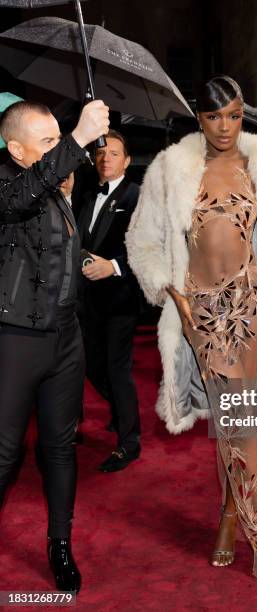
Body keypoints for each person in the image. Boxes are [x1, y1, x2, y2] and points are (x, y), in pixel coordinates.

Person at [126, 75, 257, 599]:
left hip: (255, 308)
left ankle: (240, 521)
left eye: (234, 115)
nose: (226, 127)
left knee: (246, 423)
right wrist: (178, 299)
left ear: (243, 113)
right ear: (199, 119)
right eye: (214, 117)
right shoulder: (170, 169)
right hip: (204, 315)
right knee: (244, 424)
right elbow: (142, 243)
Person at [0, 99, 109, 592]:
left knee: (60, 448)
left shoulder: (54, 187)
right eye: (46, 143)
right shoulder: (8, 182)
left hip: (66, 338)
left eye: (57, 139)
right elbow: (17, 203)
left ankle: (60, 545)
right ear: (16, 149)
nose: (57, 151)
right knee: (4, 454)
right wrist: (77, 139)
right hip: (17, 339)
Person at [77, 129, 142, 472]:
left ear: (127, 161)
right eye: (101, 153)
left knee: (117, 370)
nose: (106, 159)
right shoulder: (87, 194)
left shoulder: (138, 197)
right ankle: (120, 413)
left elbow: (150, 250)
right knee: (91, 365)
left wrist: (113, 266)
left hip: (120, 298)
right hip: (87, 299)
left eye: (114, 153)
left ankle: (129, 442)